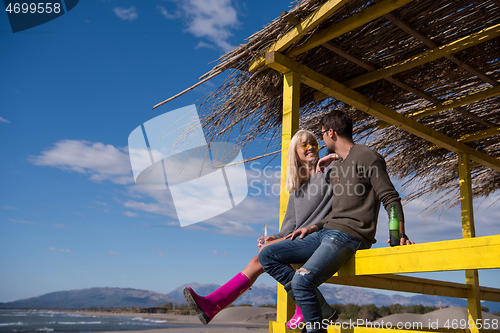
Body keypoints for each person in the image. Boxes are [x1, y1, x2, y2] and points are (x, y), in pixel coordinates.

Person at [259, 110, 414, 333]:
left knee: (303, 282)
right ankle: (320, 313)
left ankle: (316, 326)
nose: (320, 141)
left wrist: (398, 234)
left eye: (321, 134)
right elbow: (336, 211)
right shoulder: (339, 166)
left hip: (349, 235)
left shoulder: (368, 156)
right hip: (326, 232)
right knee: (267, 254)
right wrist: (313, 227)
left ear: (331, 132)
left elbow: (390, 197)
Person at [184, 130, 338, 326]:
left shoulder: (330, 170)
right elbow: (288, 227)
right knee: (261, 255)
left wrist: (336, 157)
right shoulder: (297, 189)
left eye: (313, 143)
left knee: (264, 256)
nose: (310, 148)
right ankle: (212, 304)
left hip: (321, 237)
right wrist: (272, 238)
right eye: (304, 145)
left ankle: (214, 304)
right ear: (295, 154)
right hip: (297, 240)